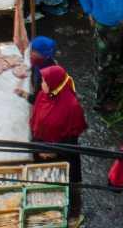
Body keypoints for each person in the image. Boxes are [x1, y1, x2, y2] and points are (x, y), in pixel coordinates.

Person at [29, 66, 87, 221]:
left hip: (63, 155)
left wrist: (54, 152)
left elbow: (72, 139)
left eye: (44, 81)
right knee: (44, 186)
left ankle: (71, 215)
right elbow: (36, 122)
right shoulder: (43, 96)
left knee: (68, 188)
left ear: (54, 83)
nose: (41, 84)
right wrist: (38, 148)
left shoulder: (72, 106)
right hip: (42, 150)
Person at [17, 36, 56, 104]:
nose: (31, 54)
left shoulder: (47, 76)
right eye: (31, 50)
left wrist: (23, 94)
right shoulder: (38, 62)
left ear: (44, 55)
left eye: (34, 51)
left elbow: (38, 100)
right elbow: (33, 68)